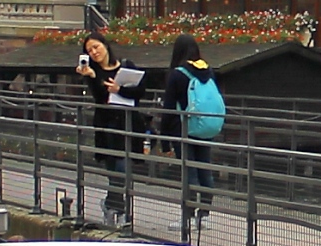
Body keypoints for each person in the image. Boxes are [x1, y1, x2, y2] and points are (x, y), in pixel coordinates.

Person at [76, 35, 147, 221]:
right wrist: (92, 77)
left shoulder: (126, 65)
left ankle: (115, 208)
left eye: (96, 47)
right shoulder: (94, 71)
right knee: (113, 169)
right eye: (90, 50)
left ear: (105, 46)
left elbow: (140, 91)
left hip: (127, 124)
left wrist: (119, 90)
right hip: (106, 126)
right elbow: (100, 99)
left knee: (122, 168)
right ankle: (116, 208)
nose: (94, 52)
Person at [159, 34, 220, 231]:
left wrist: (164, 140)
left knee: (189, 172)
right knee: (205, 169)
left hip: (183, 128)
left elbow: (168, 108)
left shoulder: (177, 74)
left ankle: (188, 217)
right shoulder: (207, 70)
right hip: (204, 126)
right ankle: (204, 216)